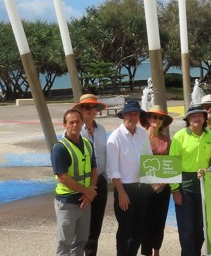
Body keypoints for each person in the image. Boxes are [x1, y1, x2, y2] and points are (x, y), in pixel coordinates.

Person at [106, 100, 153, 255]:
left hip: (142, 188)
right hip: (125, 188)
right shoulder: (115, 138)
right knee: (125, 231)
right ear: (123, 115)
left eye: (136, 114)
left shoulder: (142, 134)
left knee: (139, 230)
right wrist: (122, 193)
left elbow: (149, 159)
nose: (133, 117)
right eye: (130, 114)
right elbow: (113, 171)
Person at [51, 109, 97, 256]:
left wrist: (90, 192)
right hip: (67, 202)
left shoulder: (87, 144)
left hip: (85, 201)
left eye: (78, 121)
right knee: (64, 243)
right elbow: (63, 177)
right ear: (65, 125)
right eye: (71, 122)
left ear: (82, 123)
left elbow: (94, 168)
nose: (75, 125)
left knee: (81, 242)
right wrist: (87, 191)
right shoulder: (60, 148)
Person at [170, 105, 211, 256]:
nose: (197, 118)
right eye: (193, 116)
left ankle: (196, 253)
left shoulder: (210, 136)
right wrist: (175, 190)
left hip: (204, 187)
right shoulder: (179, 136)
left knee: (200, 227)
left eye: (200, 116)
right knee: (186, 228)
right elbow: (173, 164)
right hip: (185, 187)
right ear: (188, 119)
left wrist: (209, 171)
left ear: (204, 118)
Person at [74, 94, 109, 256]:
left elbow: (105, 154)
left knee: (95, 227)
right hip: (81, 183)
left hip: (99, 181)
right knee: (80, 228)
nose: (91, 110)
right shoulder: (74, 131)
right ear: (80, 110)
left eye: (94, 107)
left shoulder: (101, 130)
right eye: (87, 107)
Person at [141, 104, 173, 256]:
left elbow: (170, 164)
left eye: (160, 118)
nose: (157, 120)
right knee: (145, 221)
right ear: (148, 118)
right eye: (154, 116)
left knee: (160, 221)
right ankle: (146, 252)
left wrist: (162, 183)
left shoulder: (166, 140)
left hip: (163, 186)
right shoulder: (140, 138)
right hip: (144, 187)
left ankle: (157, 251)